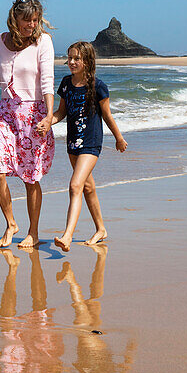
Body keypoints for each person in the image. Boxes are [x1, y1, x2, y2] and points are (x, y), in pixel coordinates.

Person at [0, 0, 56, 248]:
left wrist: (48, 115)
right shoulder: (1, 41)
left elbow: (47, 80)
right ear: (15, 18)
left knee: (30, 177)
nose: (31, 25)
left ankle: (33, 233)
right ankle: (11, 223)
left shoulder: (43, 42)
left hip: (33, 114)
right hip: (6, 113)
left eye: (35, 20)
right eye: (27, 20)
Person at [47, 41, 127, 251]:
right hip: (72, 142)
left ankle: (67, 236)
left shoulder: (98, 87)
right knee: (88, 187)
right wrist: (48, 122)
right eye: (70, 58)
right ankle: (101, 229)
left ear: (87, 61)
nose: (71, 62)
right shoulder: (66, 84)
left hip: (91, 142)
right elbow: (61, 113)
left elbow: (107, 116)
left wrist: (119, 138)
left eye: (76, 58)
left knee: (75, 186)